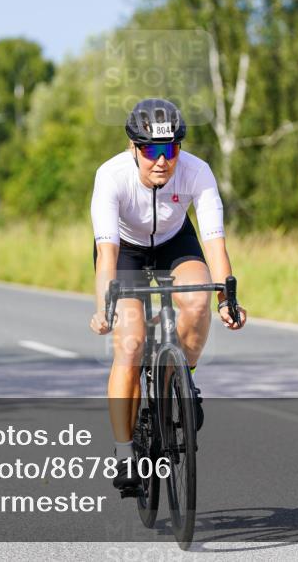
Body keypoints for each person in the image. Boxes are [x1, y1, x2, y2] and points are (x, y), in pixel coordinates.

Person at [89, 98, 247, 493]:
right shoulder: (111, 176)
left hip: (175, 242)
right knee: (131, 343)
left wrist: (227, 298)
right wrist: (104, 307)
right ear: (133, 148)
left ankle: (184, 380)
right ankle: (124, 452)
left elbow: (214, 243)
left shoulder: (197, 171)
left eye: (171, 149)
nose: (162, 161)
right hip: (126, 250)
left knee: (198, 300)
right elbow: (106, 254)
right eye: (151, 151)